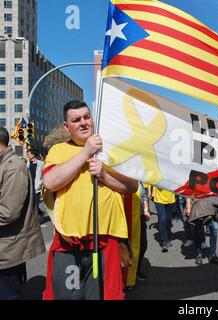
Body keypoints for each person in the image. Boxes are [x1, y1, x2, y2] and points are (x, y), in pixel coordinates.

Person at [42, 100, 138, 300]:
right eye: (76, 120)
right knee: (68, 296)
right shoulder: (58, 150)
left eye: (87, 117)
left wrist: (104, 176)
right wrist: (85, 152)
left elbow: (132, 186)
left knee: (104, 296)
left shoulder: (111, 149)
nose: (84, 122)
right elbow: (50, 182)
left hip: (105, 242)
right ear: (67, 127)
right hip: (68, 244)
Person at [0, 126, 45, 300]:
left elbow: (8, 212)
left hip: (9, 250)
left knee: (9, 293)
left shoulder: (13, 167)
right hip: (6, 247)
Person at [185, 199, 218, 265]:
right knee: (198, 232)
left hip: (211, 204)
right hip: (198, 205)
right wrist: (188, 206)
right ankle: (199, 254)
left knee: (215, 229)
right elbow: (188, 191)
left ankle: (213, 255)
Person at [150, 186, 177, 252]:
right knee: (163, 218)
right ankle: (164, 241)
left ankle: (168, 235)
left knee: (169, 219)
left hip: (170, 197)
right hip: (158, 197)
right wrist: (149, 191)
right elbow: (151, 179)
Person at [26, 148, 45, 220]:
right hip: (29, 185)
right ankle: (40, 213)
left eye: (29, 154)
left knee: (36, 204)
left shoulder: (41, 163)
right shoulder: (28, 163)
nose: (28, 155)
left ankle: (36, 220)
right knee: (31, 204)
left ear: (33, 155)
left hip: (37, 185)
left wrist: (42, 183)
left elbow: (44, 174)